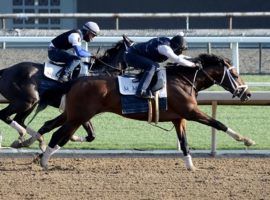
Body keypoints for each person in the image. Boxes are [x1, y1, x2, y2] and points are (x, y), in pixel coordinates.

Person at [124, 32, 200, 98]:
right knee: (153, 66)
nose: (180, 52)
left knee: (157, 68)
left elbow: (180, 57)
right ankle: (140, 91)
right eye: (180, 49)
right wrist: (193, 65)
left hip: (135, 54)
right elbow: (177, 59)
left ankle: (147, 85)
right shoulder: (165, 48)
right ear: (176, 46)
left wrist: (195, 60)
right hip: (131, 55)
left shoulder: (169, 44)